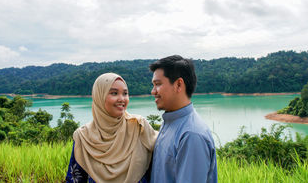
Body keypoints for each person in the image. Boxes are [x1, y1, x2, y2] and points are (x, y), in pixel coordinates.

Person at [66, 72, 158, 183]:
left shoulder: (139, 127)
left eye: (125, 93)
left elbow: (163, 161)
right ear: (99, 96)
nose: (122, 99)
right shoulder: (83, 137)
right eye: (114, 93)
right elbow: (75, 179)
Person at [149, 55, 218, 183]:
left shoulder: (191, 135)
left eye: (158, 84)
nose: (153, 91)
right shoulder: (170, 123)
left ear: (179, 85)